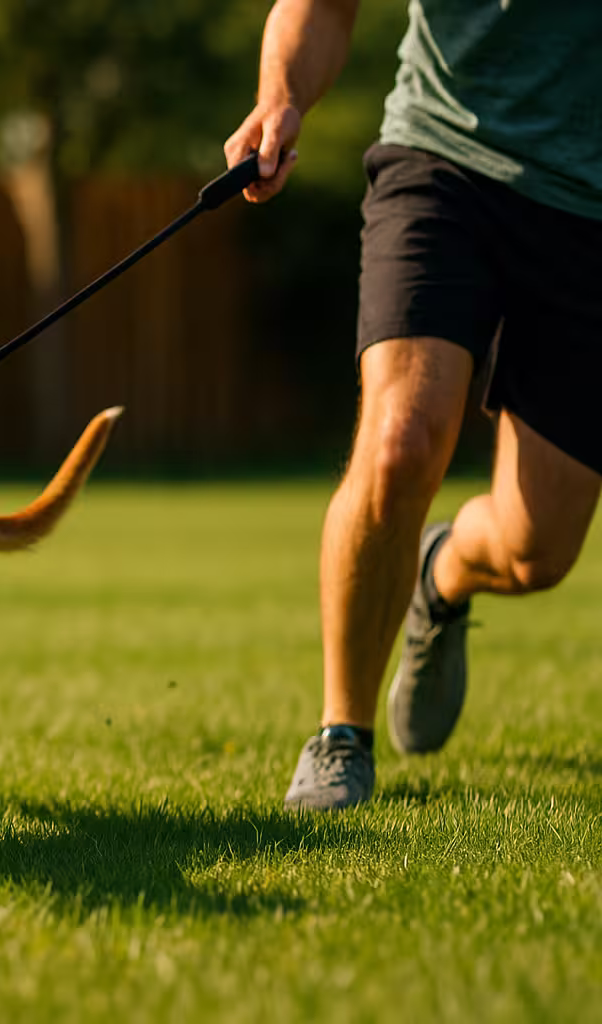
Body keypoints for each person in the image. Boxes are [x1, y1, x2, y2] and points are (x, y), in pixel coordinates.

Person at [224, 0, 602, 810]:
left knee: (537, 551)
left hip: (588, 214)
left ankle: (443, 572)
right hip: (442, 160)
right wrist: (281, 95)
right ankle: (341, 737)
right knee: (400, 441)